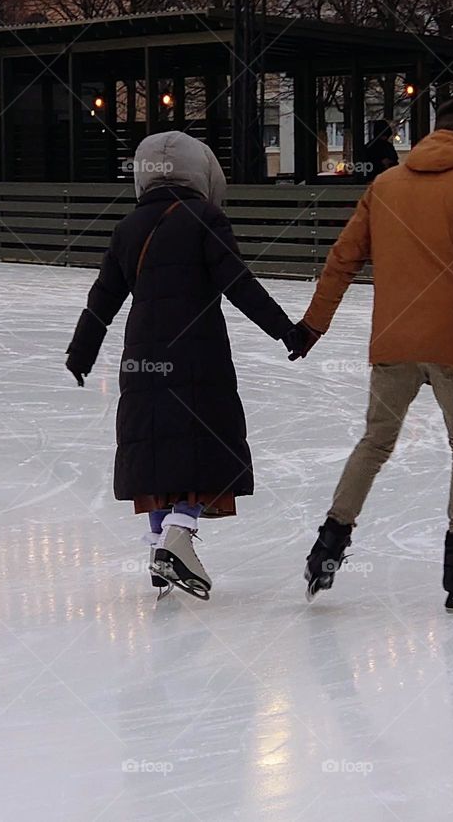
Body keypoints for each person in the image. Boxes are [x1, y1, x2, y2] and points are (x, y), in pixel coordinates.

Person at [289, 99, 453, 612]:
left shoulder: (384, 186)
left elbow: (342, 259)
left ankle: (328, 547)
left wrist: (313, 325)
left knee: (375, 442)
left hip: (394, 341)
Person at [65, 131, 310, 602]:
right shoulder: (204, 218)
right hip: (195, 352)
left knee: (158, 448)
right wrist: (286, 330)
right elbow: (239, 283)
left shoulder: (128, 228)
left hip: (141, 356)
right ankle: (177, 535)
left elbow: (103, 300)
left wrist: (81, 352)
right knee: (199, 447)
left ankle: (160, 546)